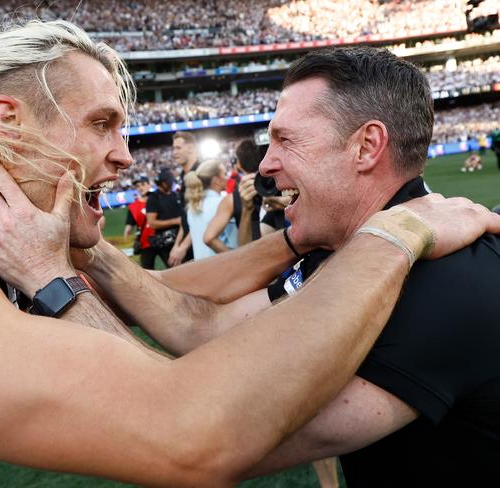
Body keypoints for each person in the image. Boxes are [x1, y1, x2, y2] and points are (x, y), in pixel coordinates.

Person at [0, 20, 498, 488]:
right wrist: (394, 234)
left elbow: (190, 315)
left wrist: (90, 257)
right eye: (104, 123)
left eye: (284, 140)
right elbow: (181, 422)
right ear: (8, 122)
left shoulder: (0, 237)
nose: (126, 156)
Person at [235, 46, 500, 487]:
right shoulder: (343, 248)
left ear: (366, 146)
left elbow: (220, 443)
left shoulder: (446, 283)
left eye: (286, 140)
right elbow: (212, 327)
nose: (264, 165)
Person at [204, 138, 260, 253]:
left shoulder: (231, 199)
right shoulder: (282, 186)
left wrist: (234, 256)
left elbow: (209, 238)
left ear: (239, 164)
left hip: (253, 259)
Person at [183, 159, 233, 259]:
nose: (227, 177)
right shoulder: (223, 203)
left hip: (201, 268)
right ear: (216, 180)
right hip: (223, 267)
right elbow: (235, 242)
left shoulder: (192, 207)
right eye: (224, 174)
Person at [169, 131, 199, 266]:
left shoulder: (200, 172)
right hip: (189, 244)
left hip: (200, 244)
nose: (174, 152)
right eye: (173, 148)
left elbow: (202, 217)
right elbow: (185, 217)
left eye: (178, 148)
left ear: (191, 148)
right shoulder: (182, 176)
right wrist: (177, 244)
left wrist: (183, 246)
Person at [144, 167, 180, 269]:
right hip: (166, 242)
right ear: (163, 182)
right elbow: (152, 223)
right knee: (175, 271)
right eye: (170, 182)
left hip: (179, 239)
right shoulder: (153, 198)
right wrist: (176, 221)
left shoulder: (174, 195)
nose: (172, 184)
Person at [123, 175, 155, 267]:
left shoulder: (158, 199)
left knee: (173, 266)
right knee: (147, 272)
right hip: (145, 243)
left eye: (143, 184)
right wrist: (126, 233)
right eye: (138, 186)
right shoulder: (133, 206)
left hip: (162, 240)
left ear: (149, 185)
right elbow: (129, 224)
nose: (140, 188)